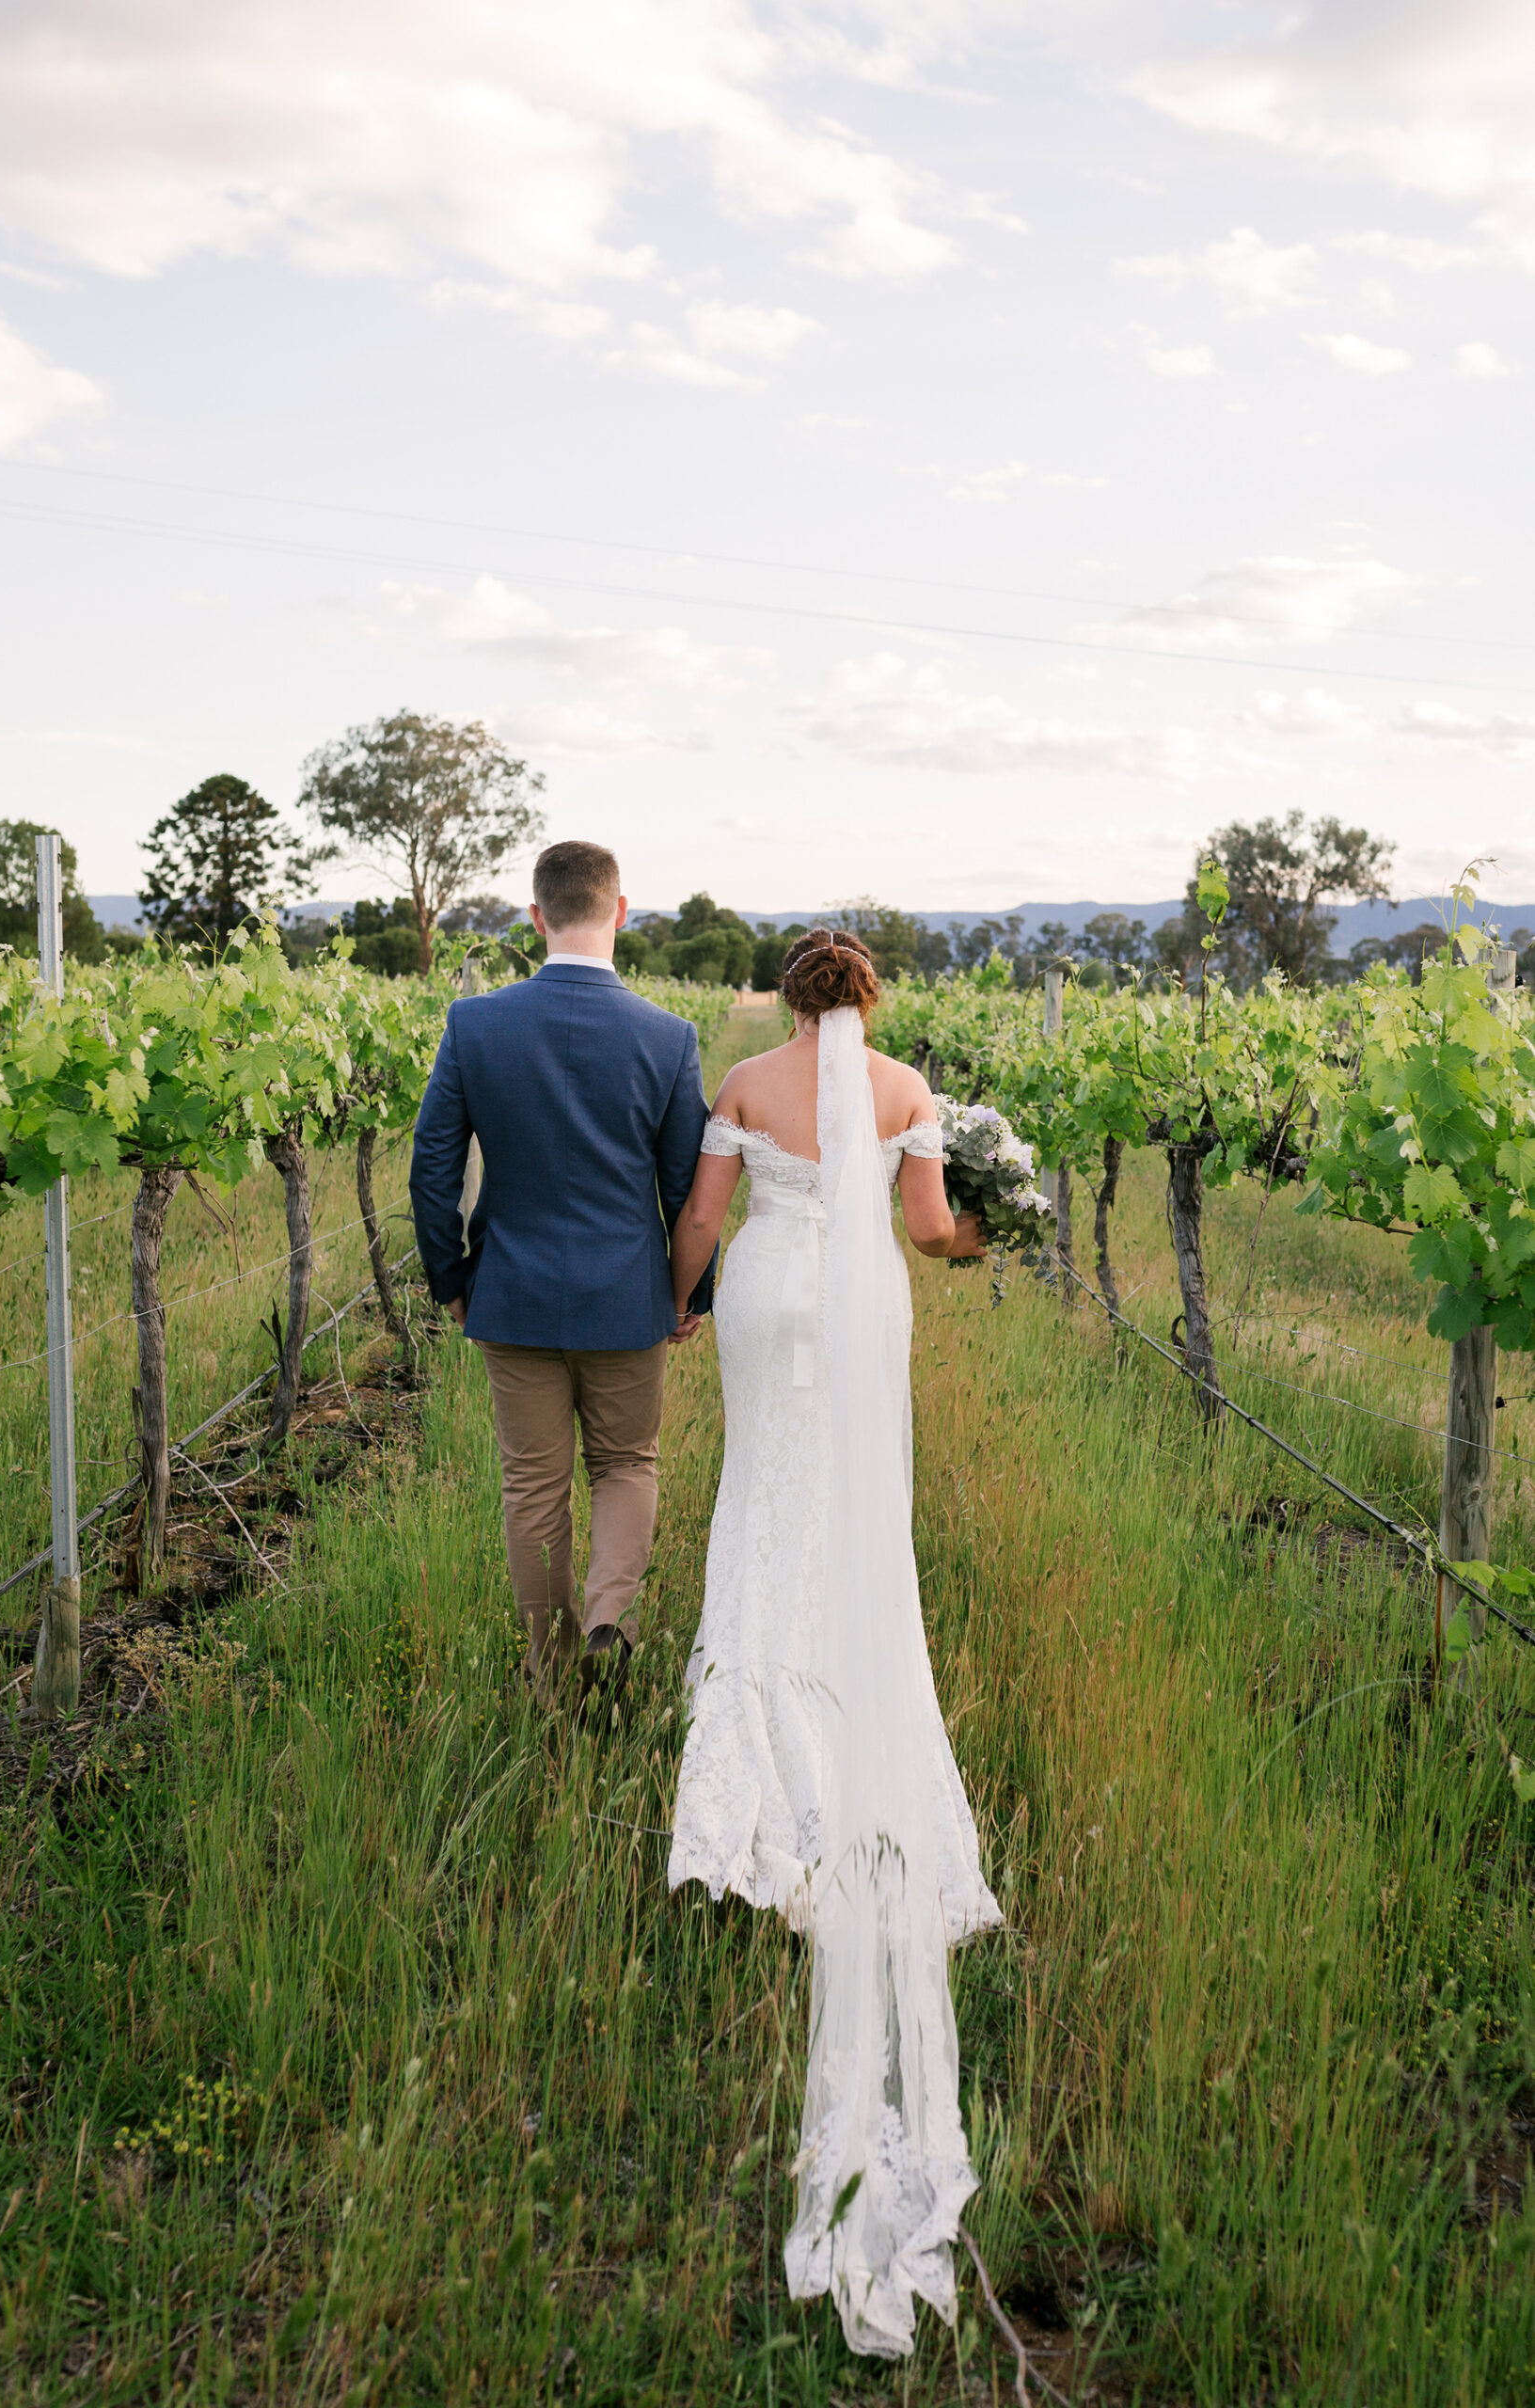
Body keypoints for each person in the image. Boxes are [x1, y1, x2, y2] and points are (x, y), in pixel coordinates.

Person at [666, 927, 1002, 2359]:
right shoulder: (902, 1083)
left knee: (761, 1496)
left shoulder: (742, 1081)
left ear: (786, 999)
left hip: (763, 1301)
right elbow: (927, 1231)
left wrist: (684, 1294)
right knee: (851, 1512)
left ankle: (752, 1742)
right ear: (866, 1001)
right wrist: (988, 1236)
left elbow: (699, 1220)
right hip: (859, 1309)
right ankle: (835, 1723)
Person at [408, 839, 715, 1698]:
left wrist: (452, 1281)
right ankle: (609, 1621)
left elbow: (433, 1167)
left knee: (531, 1483)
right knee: (625, 1464)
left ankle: (546, 1668)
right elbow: (687, 1187)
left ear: (535, 918)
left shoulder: (474, 1025)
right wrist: (691, 1290)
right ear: (622, 913)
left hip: (511, 1292)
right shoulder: (667, 1036)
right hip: (626, 1297)